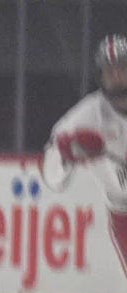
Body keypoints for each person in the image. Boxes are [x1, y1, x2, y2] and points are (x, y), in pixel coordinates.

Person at [43, 33, 127, 276]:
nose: (117, 76)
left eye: (122, 68)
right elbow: (52, 177)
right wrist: (65, 155)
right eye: (111, 71)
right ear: (101, 76)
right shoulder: (86, 118)